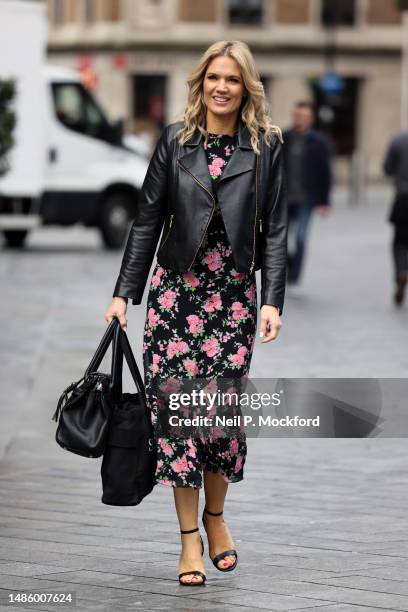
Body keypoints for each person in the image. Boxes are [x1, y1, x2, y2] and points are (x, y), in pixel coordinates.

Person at [104, 40, 287, 586]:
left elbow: (274, 229)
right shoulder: (174, 142)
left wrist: (272, 298)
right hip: (175, 299)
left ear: (246, 86)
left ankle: (216, 518)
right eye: (214, 78)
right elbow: (146, 222)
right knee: (181, 423)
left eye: (233, 79)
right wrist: (124, 294)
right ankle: (188, 542)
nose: (222, 87)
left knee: (221, 424)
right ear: (201, 83)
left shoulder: (267, 146)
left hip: (231, 301)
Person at [282, 101, 332, 284]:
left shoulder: (319, 142)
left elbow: (325, 173)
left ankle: (294, 275)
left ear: (311, 119)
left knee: (301, 237)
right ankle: (286, 266)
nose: (299, 119)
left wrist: (324, 201)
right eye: (297, 116)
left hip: (306, 198)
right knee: (283, 239)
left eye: (303, 116)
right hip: (284, 198)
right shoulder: (283, 137)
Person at [383, 130, 408, 305]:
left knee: (399, 242)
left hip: (403, 197)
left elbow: (387, 168)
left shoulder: (399, 140)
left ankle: (401, 271)